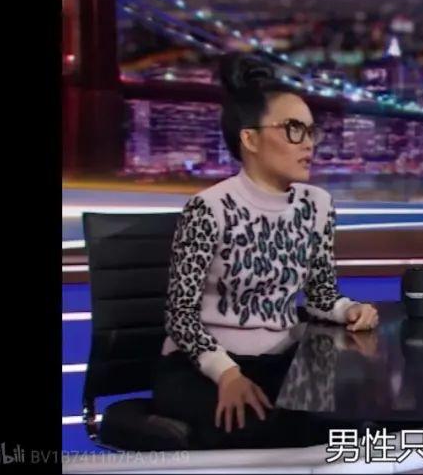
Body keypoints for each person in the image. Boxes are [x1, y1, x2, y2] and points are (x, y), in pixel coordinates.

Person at [152, 53, 380, 449]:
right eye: (293, 129)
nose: (308, 143)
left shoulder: (317, 205)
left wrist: (349, 310)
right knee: (261, 430)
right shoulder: (208, 208)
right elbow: (180, 316)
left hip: (281, 359)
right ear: (250, 139)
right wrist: (227, 374)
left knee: (358, 413)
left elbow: (321, 297)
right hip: (201, 366)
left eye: (311, 131)